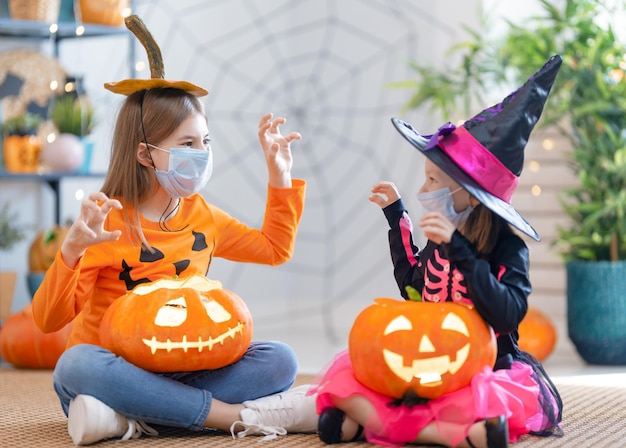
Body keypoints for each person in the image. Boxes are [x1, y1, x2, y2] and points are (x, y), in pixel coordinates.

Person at [31, 15, 317, 446]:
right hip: (115, 368)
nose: (201, 154)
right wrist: (71, 252)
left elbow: (274, 248)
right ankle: (227, 415)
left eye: (205, 142)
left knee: (280, 360)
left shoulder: (203, 216)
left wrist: (279, 180)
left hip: (187, 364)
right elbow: (49, 320)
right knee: (74, 366)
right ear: (146, 155)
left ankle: (131, 420)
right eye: (187, 144)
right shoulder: (107, 222)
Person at [311, 55, 565, 448]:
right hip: (425, 360)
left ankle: (375, 425)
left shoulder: (507, 248)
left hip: (482, 370)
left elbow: (507, 312)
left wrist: (459, 248)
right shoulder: (439, 236)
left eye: (433, 180)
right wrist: (396, 218)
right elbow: (413, 287)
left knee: (483, 398)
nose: (424, 190)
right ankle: (455, 435)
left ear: (472, 196)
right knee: (358, 375)